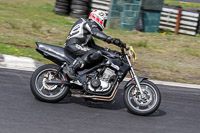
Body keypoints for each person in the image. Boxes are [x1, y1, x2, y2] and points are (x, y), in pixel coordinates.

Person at [64, 10, 125, 80]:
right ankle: (72, 68)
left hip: (76, 45)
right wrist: (111, 40)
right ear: (98, 18)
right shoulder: (89, 23)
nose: (104, 24)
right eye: (104, 21)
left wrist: (110, 51)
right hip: (74, 45)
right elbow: (96, 33)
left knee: (97, 52)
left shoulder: (86, 31)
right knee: (96, 53)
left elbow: (93, 46)